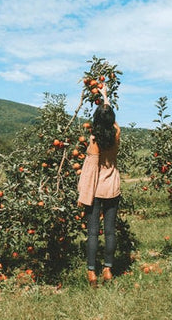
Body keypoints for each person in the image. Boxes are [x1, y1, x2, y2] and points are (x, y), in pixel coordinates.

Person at [77, 84, 121, 287]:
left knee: (93, 232)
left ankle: (92, 273)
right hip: (112, 188)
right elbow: (108, 118)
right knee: (110, 231)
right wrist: (106, 98)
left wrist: (83, 196)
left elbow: (90, 172)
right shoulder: (117, 133)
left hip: (95, 190)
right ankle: (108, 269)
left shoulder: (94, 140)